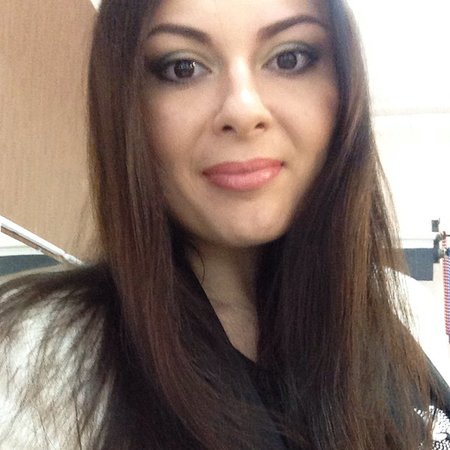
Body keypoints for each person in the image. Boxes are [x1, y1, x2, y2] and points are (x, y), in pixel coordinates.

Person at [1, 0, 450, 448]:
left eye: (290, 58)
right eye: (182, 68)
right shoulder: (37, 361)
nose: (243, 110)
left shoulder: (405, 307)